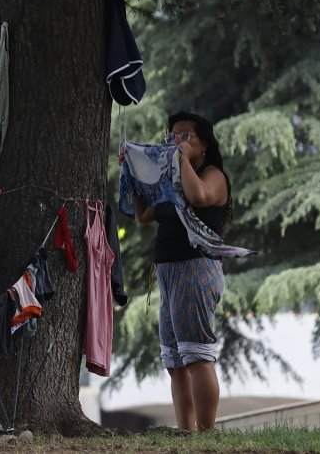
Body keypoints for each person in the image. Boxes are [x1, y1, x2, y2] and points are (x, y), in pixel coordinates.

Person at [119, 111, 230, 431]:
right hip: (169, 272)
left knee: (196, 354)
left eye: (184, 137)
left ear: (204, 145)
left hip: (196, 268)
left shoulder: (213, 175)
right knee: (176, 360)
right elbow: (143, 214)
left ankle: (206, 435)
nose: (175, 142)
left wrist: (178, 159)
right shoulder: (171, 178)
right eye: (171, 137)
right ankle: (186, 431)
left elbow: (199, 196)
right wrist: (135, 169)